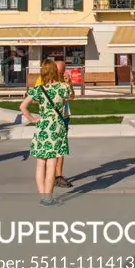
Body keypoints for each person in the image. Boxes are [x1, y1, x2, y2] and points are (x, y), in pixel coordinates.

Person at [20, 59, 70, 205]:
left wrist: (33, 119)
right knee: (52, 163)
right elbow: (70, 95)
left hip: (42, 127)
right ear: (55, 71)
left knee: (40, 163)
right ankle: (48, 197)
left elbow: (22, 106)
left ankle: (42, 196)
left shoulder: (38, 89)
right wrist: (67, 81)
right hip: (56, 127)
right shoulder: (62, 87)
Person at [54, 60, 74, 188]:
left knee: (60, 147)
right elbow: (35, 99)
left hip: (64, 116)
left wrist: (69, 84)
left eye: (63, 71)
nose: (61, 73)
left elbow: (71, 97)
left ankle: (58, 175)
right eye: (60, 71)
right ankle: (53, 175)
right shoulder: (44, 81)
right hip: (53, 118)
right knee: (53, 148)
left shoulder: (63, 83)